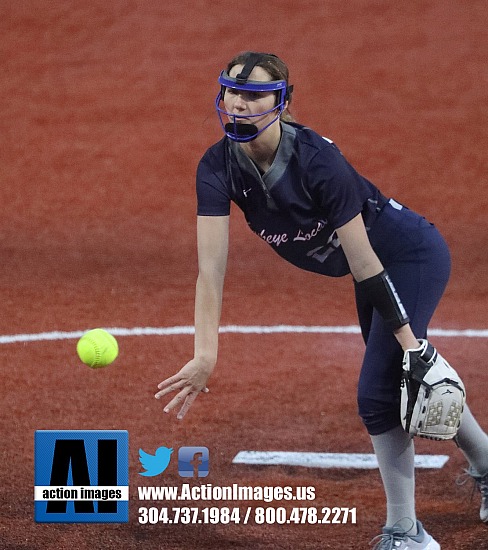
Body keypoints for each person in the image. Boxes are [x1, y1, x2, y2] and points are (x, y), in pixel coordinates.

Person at [155, 51, 488, 548]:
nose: (240, 105)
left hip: (404, 258)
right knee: (404, 380)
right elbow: (211, 270)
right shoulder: (217, 166)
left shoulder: (317, 160)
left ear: (282, 101)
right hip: (369, 270)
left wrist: (412, 345)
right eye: (232, 92)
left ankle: (406, 533)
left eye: (254, 95)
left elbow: (367, 263)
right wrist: (206, 353)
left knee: (380, 393)